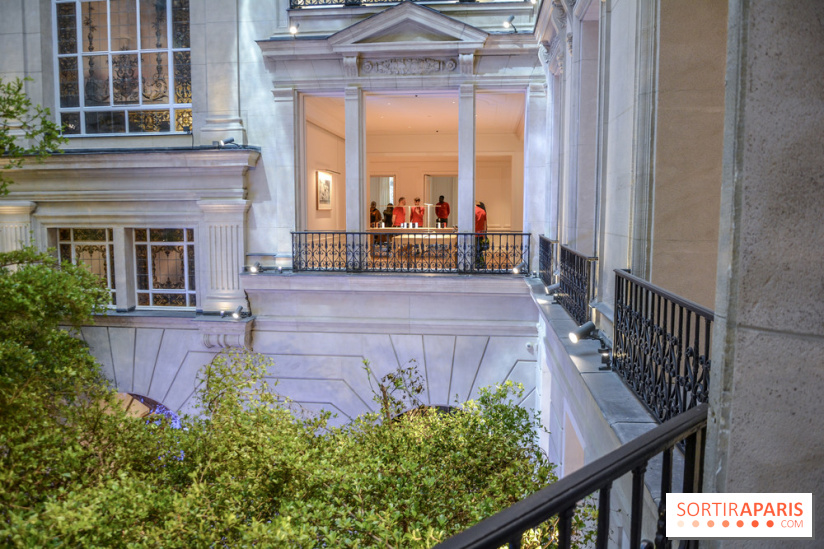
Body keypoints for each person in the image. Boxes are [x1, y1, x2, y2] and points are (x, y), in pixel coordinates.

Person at [474, 201, 487, 269]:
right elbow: (485, 225)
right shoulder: (483, 211)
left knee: (475, 251)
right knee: (479, 251)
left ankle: (477, 265)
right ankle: (481, 265)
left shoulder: (473, 211)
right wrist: (485, 236)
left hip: (474, 234)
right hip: (481, 234)